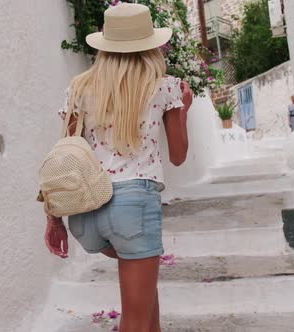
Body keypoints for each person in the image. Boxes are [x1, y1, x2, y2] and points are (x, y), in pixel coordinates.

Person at [43, 4, 193, 332]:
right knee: (135, 321)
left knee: (145, 294)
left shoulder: (79, 87)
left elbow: (65, 157)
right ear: (150, 44)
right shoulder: (165, 85)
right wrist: (183, 109)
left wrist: (54, 218)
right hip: (133, 210)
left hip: (86, 215)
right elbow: (179, 155)